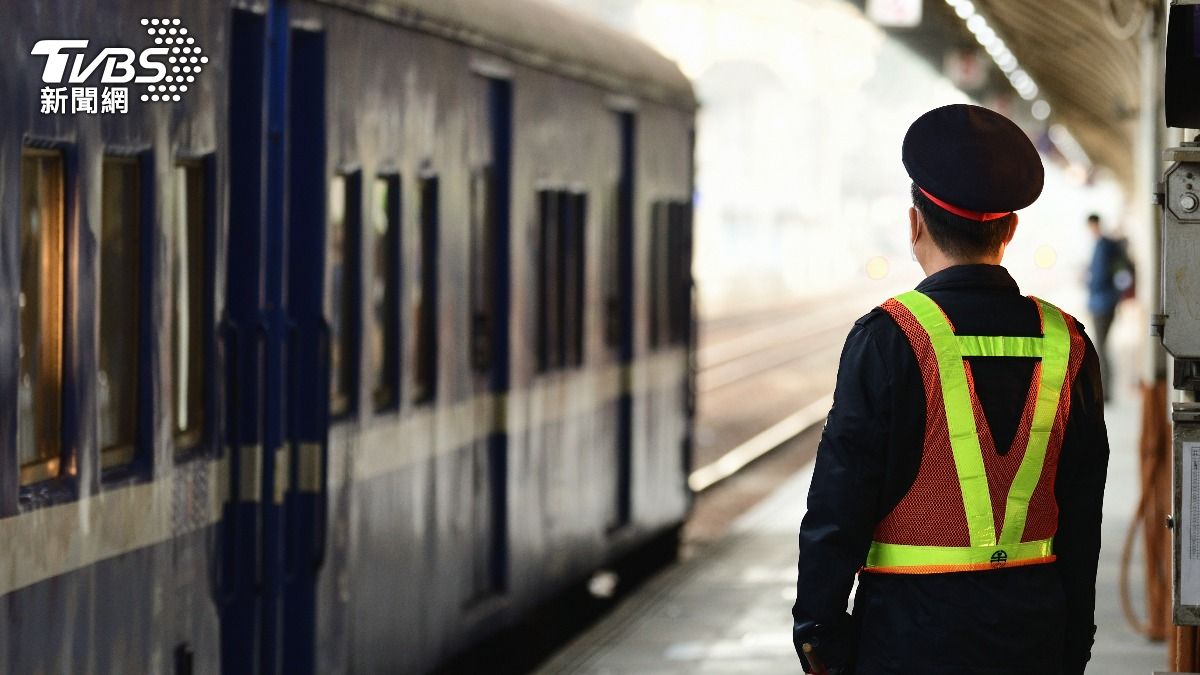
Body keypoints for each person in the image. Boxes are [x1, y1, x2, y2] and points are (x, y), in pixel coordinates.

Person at [791, 104, 1109, 675]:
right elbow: (1083, 516)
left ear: (915, 224)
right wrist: (1073, 636)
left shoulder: (888, 339)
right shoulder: (1069, 344)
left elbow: (838, 505)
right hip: (1033, 634)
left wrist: (818, 635)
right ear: (1010, 229)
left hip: (906, 638)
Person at [1085, 213, 1122, 399]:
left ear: (1093, 225)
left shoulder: (1102, 246)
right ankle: (1106, 391)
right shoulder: (1108, 245)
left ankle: (1105, 392)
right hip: (1108, 301)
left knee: (1101, 347)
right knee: (1103, 346)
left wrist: (1088, 282)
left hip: (1102, 303)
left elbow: (1098, 277)